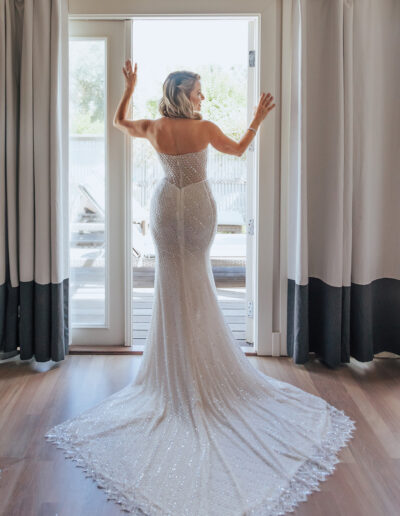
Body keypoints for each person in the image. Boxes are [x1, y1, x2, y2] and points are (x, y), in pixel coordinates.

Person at [45, 60, 356, 516]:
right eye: (197, 92)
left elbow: (116, 122)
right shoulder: (206, 128)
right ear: (182, 95)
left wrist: (129, 87)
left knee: (172, 282)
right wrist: (258, 117)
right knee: (196, 278)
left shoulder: (153, 127)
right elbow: (239, 149)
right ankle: (198, 367)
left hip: (165, 206)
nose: (202, 98)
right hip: (197, 211)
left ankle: (175, 372)